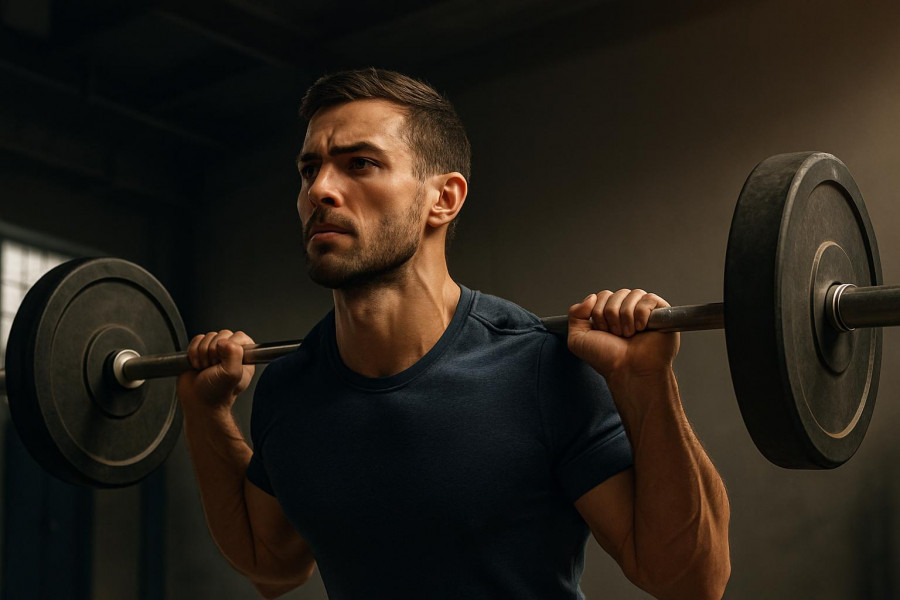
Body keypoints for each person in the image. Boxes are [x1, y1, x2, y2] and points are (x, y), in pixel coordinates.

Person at [176, 68, 731, 599]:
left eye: (360, 163)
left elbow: (688, 582)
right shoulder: (290, 389)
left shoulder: (539, 369)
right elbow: (271, 567)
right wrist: (206, 415)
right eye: (309, 168)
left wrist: (645, 384)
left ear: (443, 198)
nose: (320, 188)